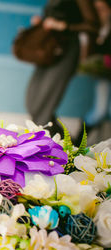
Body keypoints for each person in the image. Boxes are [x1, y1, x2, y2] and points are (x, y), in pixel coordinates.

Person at [25, 0, 99, 137]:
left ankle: (52, 148)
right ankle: (66, 145)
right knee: (33, 103)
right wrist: (42, 23)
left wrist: (64, 26)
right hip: (49, 49)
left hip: (66, 51)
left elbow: (93, 25)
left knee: (43, 108)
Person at [76, 0, 111, 144]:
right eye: (96, 9)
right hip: (104, 73)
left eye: (102, 8)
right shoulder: (96, 26)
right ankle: (78, 142)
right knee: (99, 111)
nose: (99, 12)